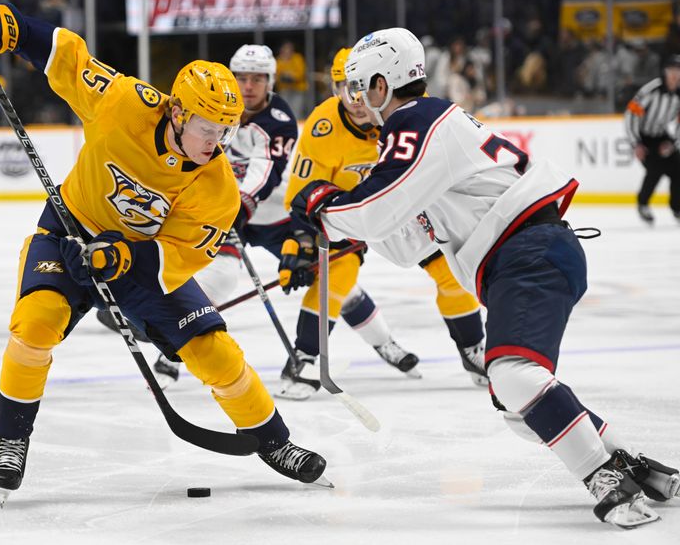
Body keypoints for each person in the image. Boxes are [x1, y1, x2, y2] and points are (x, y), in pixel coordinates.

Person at [290, 27, 679, 528]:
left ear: (384, 85)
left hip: (528, 250)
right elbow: (405, 241)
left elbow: (374, 210)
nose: (359, 99)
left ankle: (604, 475)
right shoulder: (419, 138)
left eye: (363, 86)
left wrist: (324, 206)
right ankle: (631, 463)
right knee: (516, 403)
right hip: (522, 256)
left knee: (513, 374)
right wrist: (341, 231)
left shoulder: (417, 120)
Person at [0, 2, 328, 502]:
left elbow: (180, 255)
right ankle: (12, 437)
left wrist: (121, 257)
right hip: (68, 231)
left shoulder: (218, 189)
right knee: (36, 324)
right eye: (208, 128)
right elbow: (68, 57)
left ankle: (275, 441)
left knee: (212, 349)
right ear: (178, 111)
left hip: (140, 263)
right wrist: (7, 28)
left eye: (226, 131)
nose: (218, 142)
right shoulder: (125, 101)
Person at [151, 44, 422, 399]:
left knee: (335, 280)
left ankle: (385, 343)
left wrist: (242, 205)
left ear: (271, 82)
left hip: (272, 216)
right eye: (242, 78)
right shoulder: (210, 110)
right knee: (219, 276)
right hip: (222, 211)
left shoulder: (278, 119)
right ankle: (170, 353)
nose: (249, 87)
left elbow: (265, 170)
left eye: (258, 79)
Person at [279, 47, 488, 397]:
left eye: (362, 88)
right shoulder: (323, 126)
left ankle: (473, 350)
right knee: (338, 278)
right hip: (350, 214)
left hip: (408, 209)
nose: (357, 99)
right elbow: (302, 193)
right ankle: (304, 357)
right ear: (334, 89)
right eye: (347, 88)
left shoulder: (399, 113)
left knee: (451, 272)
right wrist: (299, 240)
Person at [624, 54, 680, 225]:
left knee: (678, 168)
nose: (675, 75)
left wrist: (673, 143)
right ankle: (643, 204)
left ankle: (676, 207)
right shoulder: (651, 90)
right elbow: (631, 115)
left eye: (678, 71)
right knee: (655, 169)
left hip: (662, 136)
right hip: (644, 137)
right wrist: (636, 143)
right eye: (672, 70)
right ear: (664, 71)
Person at [275, 40, 308, 118]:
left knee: (297, 110)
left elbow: (301, 73)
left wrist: (291, 75)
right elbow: (276, 75)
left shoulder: (297, 58)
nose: (287, 51)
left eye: (289, 49)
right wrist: (284, 75)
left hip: (298, 89)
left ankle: (297, 128)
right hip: (284, 89)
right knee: (285, 111)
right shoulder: (279, 60)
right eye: (285, 49)